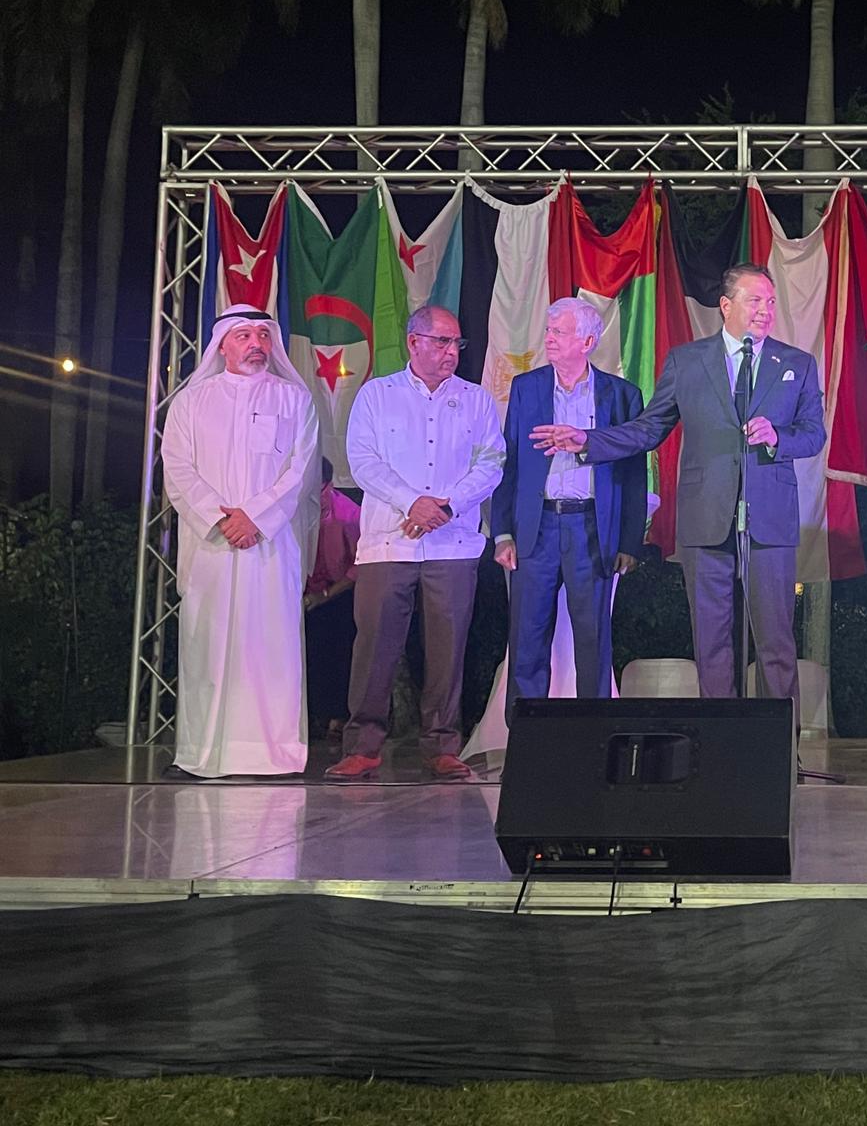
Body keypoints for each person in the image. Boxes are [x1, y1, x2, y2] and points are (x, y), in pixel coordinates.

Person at [533, 264, 825, 701]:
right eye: (755, 300)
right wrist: (587, 441)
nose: (765, 310)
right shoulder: (688, 362)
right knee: (712, 641)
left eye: (770, 301)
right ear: (726, 306)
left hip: (769, 520)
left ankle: (780, 751)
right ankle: (719, 746)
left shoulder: (797, 363)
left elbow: (814, 434)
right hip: (705, 518)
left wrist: (778, 436)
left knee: (776, 641)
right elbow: (649, 429)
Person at [328, 306, 505, 780]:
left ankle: (443, 745)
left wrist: (443, 507)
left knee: (448, 648)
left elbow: (491, 463)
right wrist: (412, 503)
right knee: (376, 645)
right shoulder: (376, 396)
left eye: (456, 344)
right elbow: (362, 461)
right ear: (413, 342)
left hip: (452, 542)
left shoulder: (477, 400)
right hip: (389, 541)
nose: (451, 353)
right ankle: (362, 745)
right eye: (442, 342)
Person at [160, 304, 320, 778]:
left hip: (269, 545)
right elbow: (177, 467)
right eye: (244, 336)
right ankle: (201, 755)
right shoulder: (191, 402)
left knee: (271, 647)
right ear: (222, 344)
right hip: (211, 545)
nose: (256, 345)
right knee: (206, 646)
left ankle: (273, 755)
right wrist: (220, 518)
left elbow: (303, 470)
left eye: (262, 336)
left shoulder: (295, 400)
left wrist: (255, 517)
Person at [491, 298, 646, 704]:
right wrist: (502, 532)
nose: (549, 339)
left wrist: (630, 542)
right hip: (535, 528)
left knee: (593, 640)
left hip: (591, 530)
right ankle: (526, 741)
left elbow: (633, 473)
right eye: (549, 330)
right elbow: (509, 463)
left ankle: (592, 740)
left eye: (559, 331)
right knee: (527, 639)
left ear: (588, 340)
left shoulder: (622, 396)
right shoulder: (526, 388)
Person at [303, 458, 361, 742]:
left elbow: (358, 566)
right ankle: (311, 715)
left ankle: (339, 717)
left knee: (340, 651)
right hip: (302, 595)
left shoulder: (348, 513)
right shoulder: (295, 511)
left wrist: (325, 595)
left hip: (341, 593)